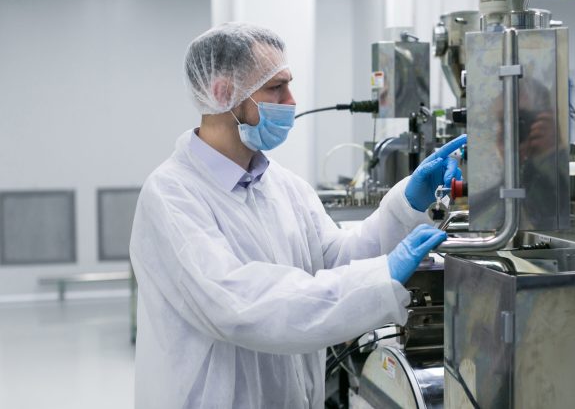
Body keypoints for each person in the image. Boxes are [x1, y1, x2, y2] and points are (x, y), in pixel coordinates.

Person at [129, 22, 466, 409]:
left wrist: (406, 205)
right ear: (223, 92)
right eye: (276, 87)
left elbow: (338, 258)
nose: (291, 101)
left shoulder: (284, 186)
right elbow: (241, 306)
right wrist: (378, 279)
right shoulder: (172, 196)